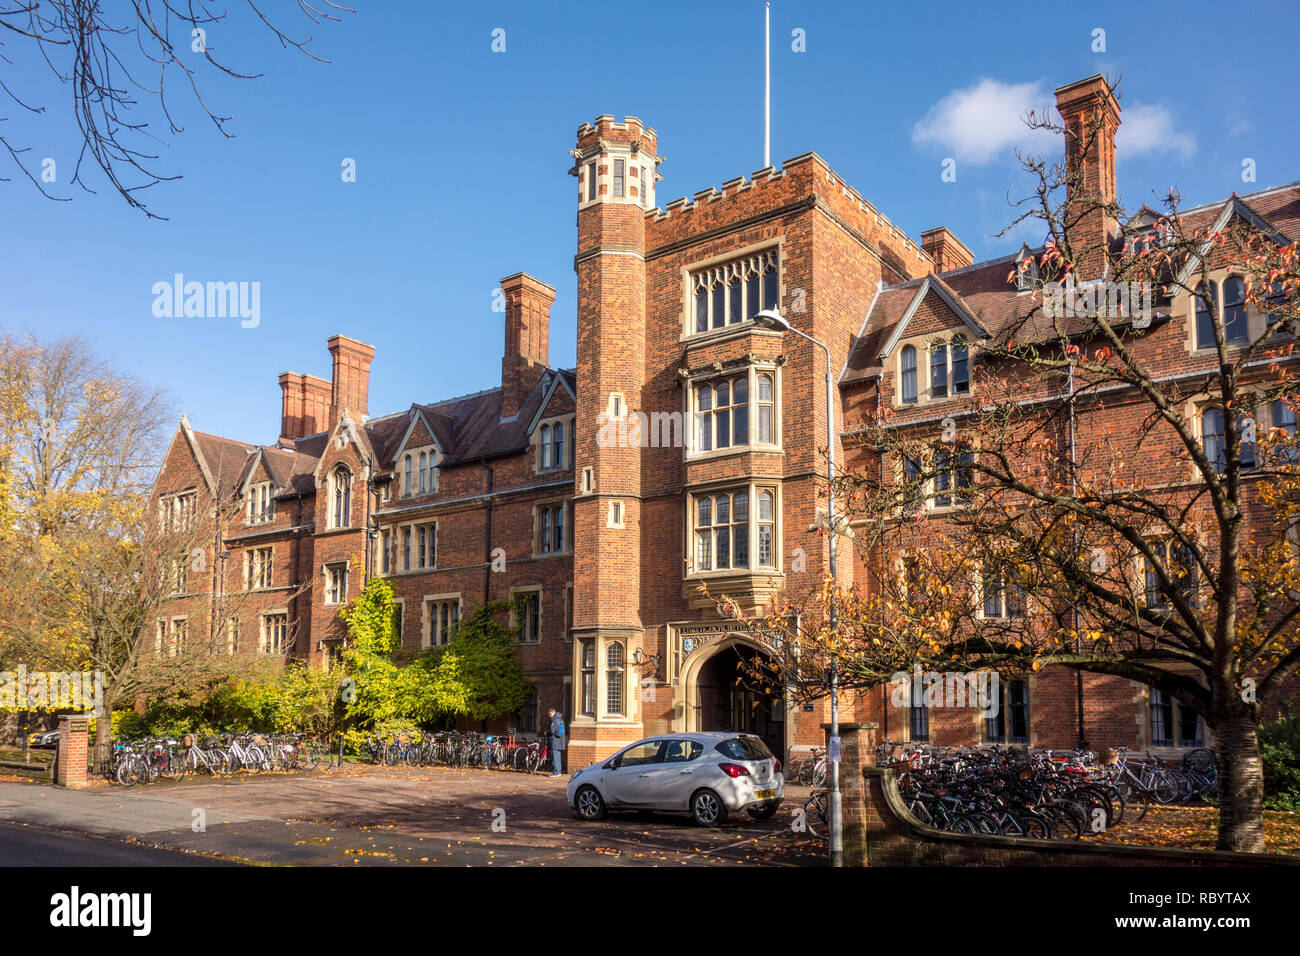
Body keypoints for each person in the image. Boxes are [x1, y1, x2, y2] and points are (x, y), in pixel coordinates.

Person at [547, 707, 565, 776]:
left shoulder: (554, 720)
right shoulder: (560, 719)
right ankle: (558, 771)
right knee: (557, 757)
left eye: (549, 715)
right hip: (559, 741)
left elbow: (552, 731)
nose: (549, 716)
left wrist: (547, 732)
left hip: (555, 741)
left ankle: (556, 772)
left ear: (551, 713)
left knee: (555, 757)